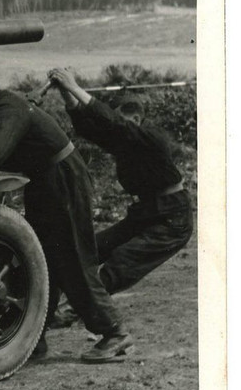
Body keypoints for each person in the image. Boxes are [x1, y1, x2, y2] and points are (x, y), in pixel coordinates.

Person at [0, 69, 129, 363]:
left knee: (74, 257)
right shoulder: (1, 107)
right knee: (42, 261)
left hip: (62, 179)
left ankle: (114, 333)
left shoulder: (6, 106)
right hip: (44, 181)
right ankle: (35, 338)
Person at [47, 67, 192, 300]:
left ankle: (79, 309)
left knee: (122, 262)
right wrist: (66, 94)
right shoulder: (123, 141)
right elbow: (90, 128)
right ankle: (67, 302)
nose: (114, 127)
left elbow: (114, 123)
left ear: (137, 119)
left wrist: (74, 86)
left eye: (124, 119)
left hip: (172, 219)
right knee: (92, 249)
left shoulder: (150, 137)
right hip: (145, 213)